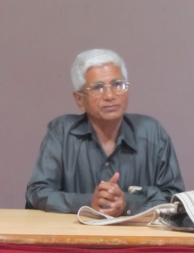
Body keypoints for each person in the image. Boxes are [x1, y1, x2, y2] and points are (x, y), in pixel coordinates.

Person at [25, 49, 184, 217]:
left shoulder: (152, 133)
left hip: (135, 234)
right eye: (97, 87)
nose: (110, 95)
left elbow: (175, 200)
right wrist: (88, 203)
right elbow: (37, 194)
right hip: (76, 232)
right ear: (79, 99)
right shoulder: (62, 133)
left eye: (117, 85)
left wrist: (128, 203)